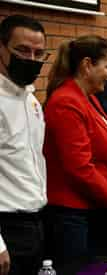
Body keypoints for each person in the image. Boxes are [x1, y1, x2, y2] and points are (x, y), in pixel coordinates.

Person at [43, 35, 107, 265]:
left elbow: (105, 156)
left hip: (90, 207)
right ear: (87, 64)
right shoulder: (66, 102)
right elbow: (79, 167)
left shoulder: (88, 98)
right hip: (70, 214)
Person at [0, 15, 49, 275]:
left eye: (39, 53)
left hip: (35, 221)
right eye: (22, 50)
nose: (31, 59)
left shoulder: (30, 99)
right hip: (6, 226)